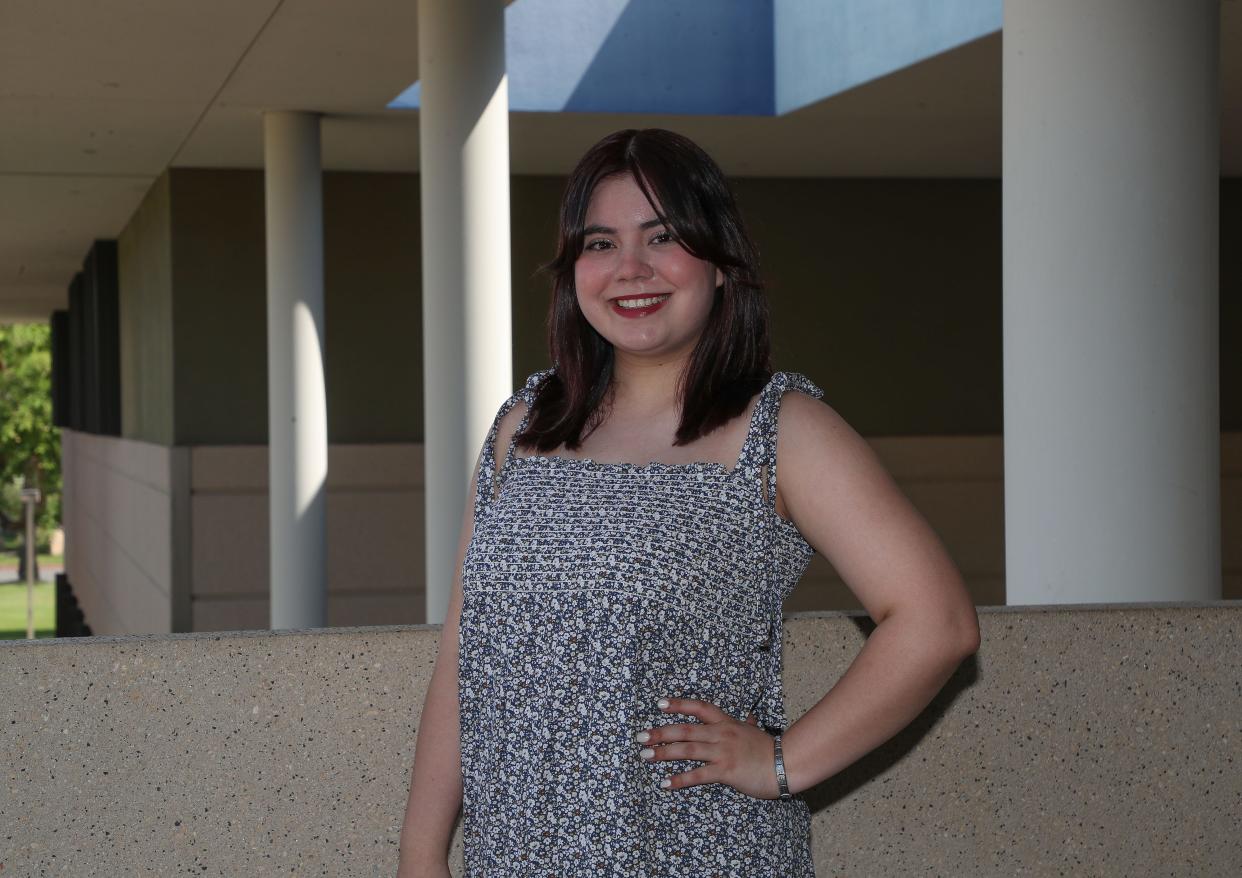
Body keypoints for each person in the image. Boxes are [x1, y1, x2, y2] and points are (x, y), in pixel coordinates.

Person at [397, 128, 980, 877]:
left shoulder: (781, 430)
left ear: (719, 260)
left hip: (695, 854)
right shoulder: (525, 424)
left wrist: (780, 761)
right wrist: (420, 851)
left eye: (663, 236)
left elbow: (937, 624)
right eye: (600, 243)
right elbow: (464, 650)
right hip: (517, 856)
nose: (630, 269)